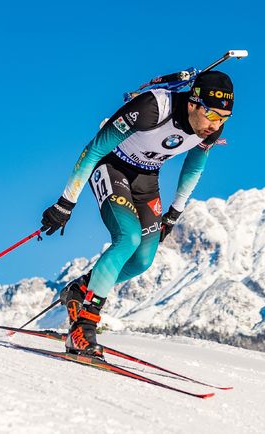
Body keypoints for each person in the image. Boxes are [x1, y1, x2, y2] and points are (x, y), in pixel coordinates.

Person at [39, 71, 234, 356]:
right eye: (213, 115)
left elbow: (193, 168)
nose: (216, 125)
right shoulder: (152, 108)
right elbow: (94, 149)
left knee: (143, 259)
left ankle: (81, 290)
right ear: (193, 103)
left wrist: (173, 214)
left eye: (224, 119)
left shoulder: (211, 128)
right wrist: (65, 202)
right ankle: (83, 327)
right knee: (127, 238)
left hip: (146, 178)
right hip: (111, 165)